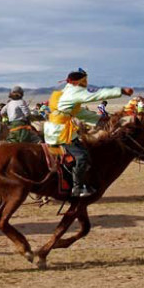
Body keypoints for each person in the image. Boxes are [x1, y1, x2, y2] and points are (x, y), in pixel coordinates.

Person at [44, 68, 133, 198]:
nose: (85, 84)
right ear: (78, 82)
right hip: (61, 131)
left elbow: (79, 113)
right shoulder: (75, 91)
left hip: (56, 129)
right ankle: (77, 187)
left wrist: (100, 120)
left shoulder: (65, 93)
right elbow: (95, 95)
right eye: (84, 81)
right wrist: (121, 91)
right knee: (82, 156)